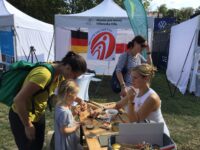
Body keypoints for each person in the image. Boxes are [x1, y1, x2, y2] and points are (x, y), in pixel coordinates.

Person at [8, 51, 87, 150]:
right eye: (75, 76)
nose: (74, 79)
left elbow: (62, 94)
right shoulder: (43, 75)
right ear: (68, 68)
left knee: (38, 147)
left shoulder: (60, 74)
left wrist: (79, 100)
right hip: (22, 117)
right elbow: (18, 100)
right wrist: (28, 125)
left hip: (38, 115)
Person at [115, 64, 170, 136]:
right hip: (145, 131)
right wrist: (101, 109)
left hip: (158, 135)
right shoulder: (135, 90)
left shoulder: (152, 98)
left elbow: (134, 120)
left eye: (135, 78)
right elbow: (118, 105)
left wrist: (131, 101)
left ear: (146, 78)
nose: (132, 80)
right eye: (132, 77)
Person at [54, 80, 82, 150]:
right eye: (75, 95)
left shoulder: (59, 105)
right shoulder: (65, 112)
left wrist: (73, 114)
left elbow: (65, 121)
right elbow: (64, 130)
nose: (76, 98)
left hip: (60, 139)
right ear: (69, 95)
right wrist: (76, 127)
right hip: (65, 143)